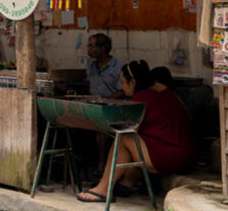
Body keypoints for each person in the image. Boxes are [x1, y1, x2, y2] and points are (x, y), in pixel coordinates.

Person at [77, 60, 195, 203]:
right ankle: (127, 183)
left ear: (132, 81)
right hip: (183, 155)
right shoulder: (164, 92)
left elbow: (129, 128)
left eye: (123, 82)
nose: (122, 87)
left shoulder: (143, 97)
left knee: (124, 137)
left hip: (170, 156)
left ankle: (103, 189)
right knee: (134, 143)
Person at [86, 33, 124, 99]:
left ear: (102, 49)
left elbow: (121, 91)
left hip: (111, 104)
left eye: (91, 46)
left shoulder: (117, 67)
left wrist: (106, 101)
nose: (88, 49)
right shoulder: (92, 66)